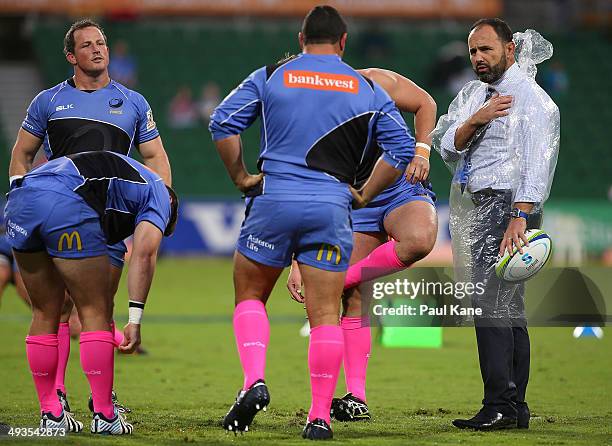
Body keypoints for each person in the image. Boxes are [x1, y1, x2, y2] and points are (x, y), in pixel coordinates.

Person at [209, 5, 414, 440]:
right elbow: (402, 149)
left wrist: (242, 177)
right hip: (330, 206)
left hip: (274, 199)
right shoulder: (367, 88)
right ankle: (319, 418)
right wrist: (365, 194)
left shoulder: (271, 74)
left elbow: (222, 122)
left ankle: (254, 381)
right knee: (325, 315)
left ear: (301, 39)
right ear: (343, 43)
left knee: (250, 295)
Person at [9, 18, 172, 421]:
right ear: (71, 56)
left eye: (102, 43)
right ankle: (70, 397)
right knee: (57, 307)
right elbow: (21, 153)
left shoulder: (133, 102)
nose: (99, 49)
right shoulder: (48, 101)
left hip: (108, 216)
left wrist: (156, 201)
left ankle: (91, 399)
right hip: (59, 209)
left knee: (99, 306)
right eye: (88, 45)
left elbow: (155, 157)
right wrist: (19, 189)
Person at [287, 68, 438, 421]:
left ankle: (344, 276)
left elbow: (425, 103)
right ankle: (357, 397)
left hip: (401, 188)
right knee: (354, 300)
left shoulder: (375, 82)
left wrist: (422, 152)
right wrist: (296, 262)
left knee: (420, 239)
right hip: (355, 203)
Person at [435, 19, 559, 430]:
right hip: (487, 205)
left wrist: (519, 217)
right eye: (473, 51)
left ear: (510, 49)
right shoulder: (478, 96)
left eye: (486, 49)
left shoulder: (533, 101)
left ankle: (499, 405)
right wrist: (479, 117)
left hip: (507, 209)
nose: (478, 58)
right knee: (507, 309)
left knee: (490, 307)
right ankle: (514, 406)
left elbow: (537, 165)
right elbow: (448, 145)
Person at [4, 150, 178, 435]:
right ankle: (105, 415)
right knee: (95, 310)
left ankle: (51, 413)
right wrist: (134, 319)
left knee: (47, 310)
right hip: (63, 200)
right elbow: (144, 254)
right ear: (171, 204)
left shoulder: (119, 187)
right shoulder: (159, 191)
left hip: (20, 198)